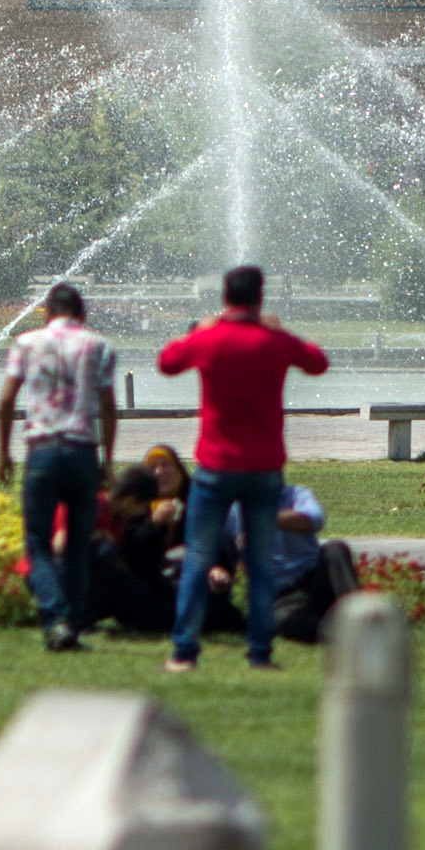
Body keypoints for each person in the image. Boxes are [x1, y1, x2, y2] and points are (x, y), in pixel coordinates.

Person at [152, 264, 329, 672]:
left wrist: (202, 330)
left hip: (216, 465)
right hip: (264, 467)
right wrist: (280, 328)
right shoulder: (275, 341)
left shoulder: (211, 339)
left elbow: (166, 362)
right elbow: (318, 362)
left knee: (198, 557)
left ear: (224, 297)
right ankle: (260, 653)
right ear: (260, 297)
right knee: (261, 562)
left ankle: (183, 653)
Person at [0, 281, 119, 653]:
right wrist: (107, 458)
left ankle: (55, 619)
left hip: (43, 450)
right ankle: (75, 622)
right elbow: (109, 406)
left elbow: (6, 399)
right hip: (83, 451)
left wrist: (3, 452)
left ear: (48, 313)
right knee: (79, 543)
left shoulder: (27, 343)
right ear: (82, 314)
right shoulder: (98, 345)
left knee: (38, 543)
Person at [218, 478, 362, 645]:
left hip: (315, 579)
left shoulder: (297, 495)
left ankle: (361, 620)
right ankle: (336, 634)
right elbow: (216, 548)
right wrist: (216, 571)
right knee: (284, 620)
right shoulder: (235, 511)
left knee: (335, 549)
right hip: (281, 595)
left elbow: (314, 519)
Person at [93, 444, 191, 634]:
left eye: (166, 465)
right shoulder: (129, 512)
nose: (160, 472)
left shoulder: (193, 499)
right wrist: (155, 523)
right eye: (154, 466)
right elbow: (132, 553)